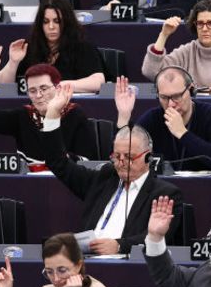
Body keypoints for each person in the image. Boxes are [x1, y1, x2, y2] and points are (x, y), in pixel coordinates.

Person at [42, 89, 183, 255]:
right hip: (86, 261)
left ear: (148, 157)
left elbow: (158, 237)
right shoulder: (103, 179)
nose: (121, 163)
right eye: (116, 156)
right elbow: (57, 162)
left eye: (129, 157)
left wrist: (119, 245)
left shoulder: (164, 193)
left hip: (128, 267)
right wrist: (52, 114)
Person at [0, 54, 97, 166]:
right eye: (32, 91)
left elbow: (87, 162)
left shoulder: (75, 114)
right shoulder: (23, 115)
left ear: (57, 88)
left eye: (44, 88)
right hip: (28, 186)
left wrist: (64, 159)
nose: (38, 95)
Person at [117, 69, 211, 167]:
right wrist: (124, 116)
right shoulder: (153, 118)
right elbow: (124, 156)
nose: (171, 104)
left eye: (177, 96)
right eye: (164, 97)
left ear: (191, 90)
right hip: (162, 189)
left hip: (206, 187)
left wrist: (183, 134)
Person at [0, 0, 105, 94]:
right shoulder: (29, 47)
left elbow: (98, 81)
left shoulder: (82, 46)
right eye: (46, 22)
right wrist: (13, 62)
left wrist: (60, 86)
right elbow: (1, 85)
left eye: (57, 21)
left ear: (67, 22)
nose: (51, 27)